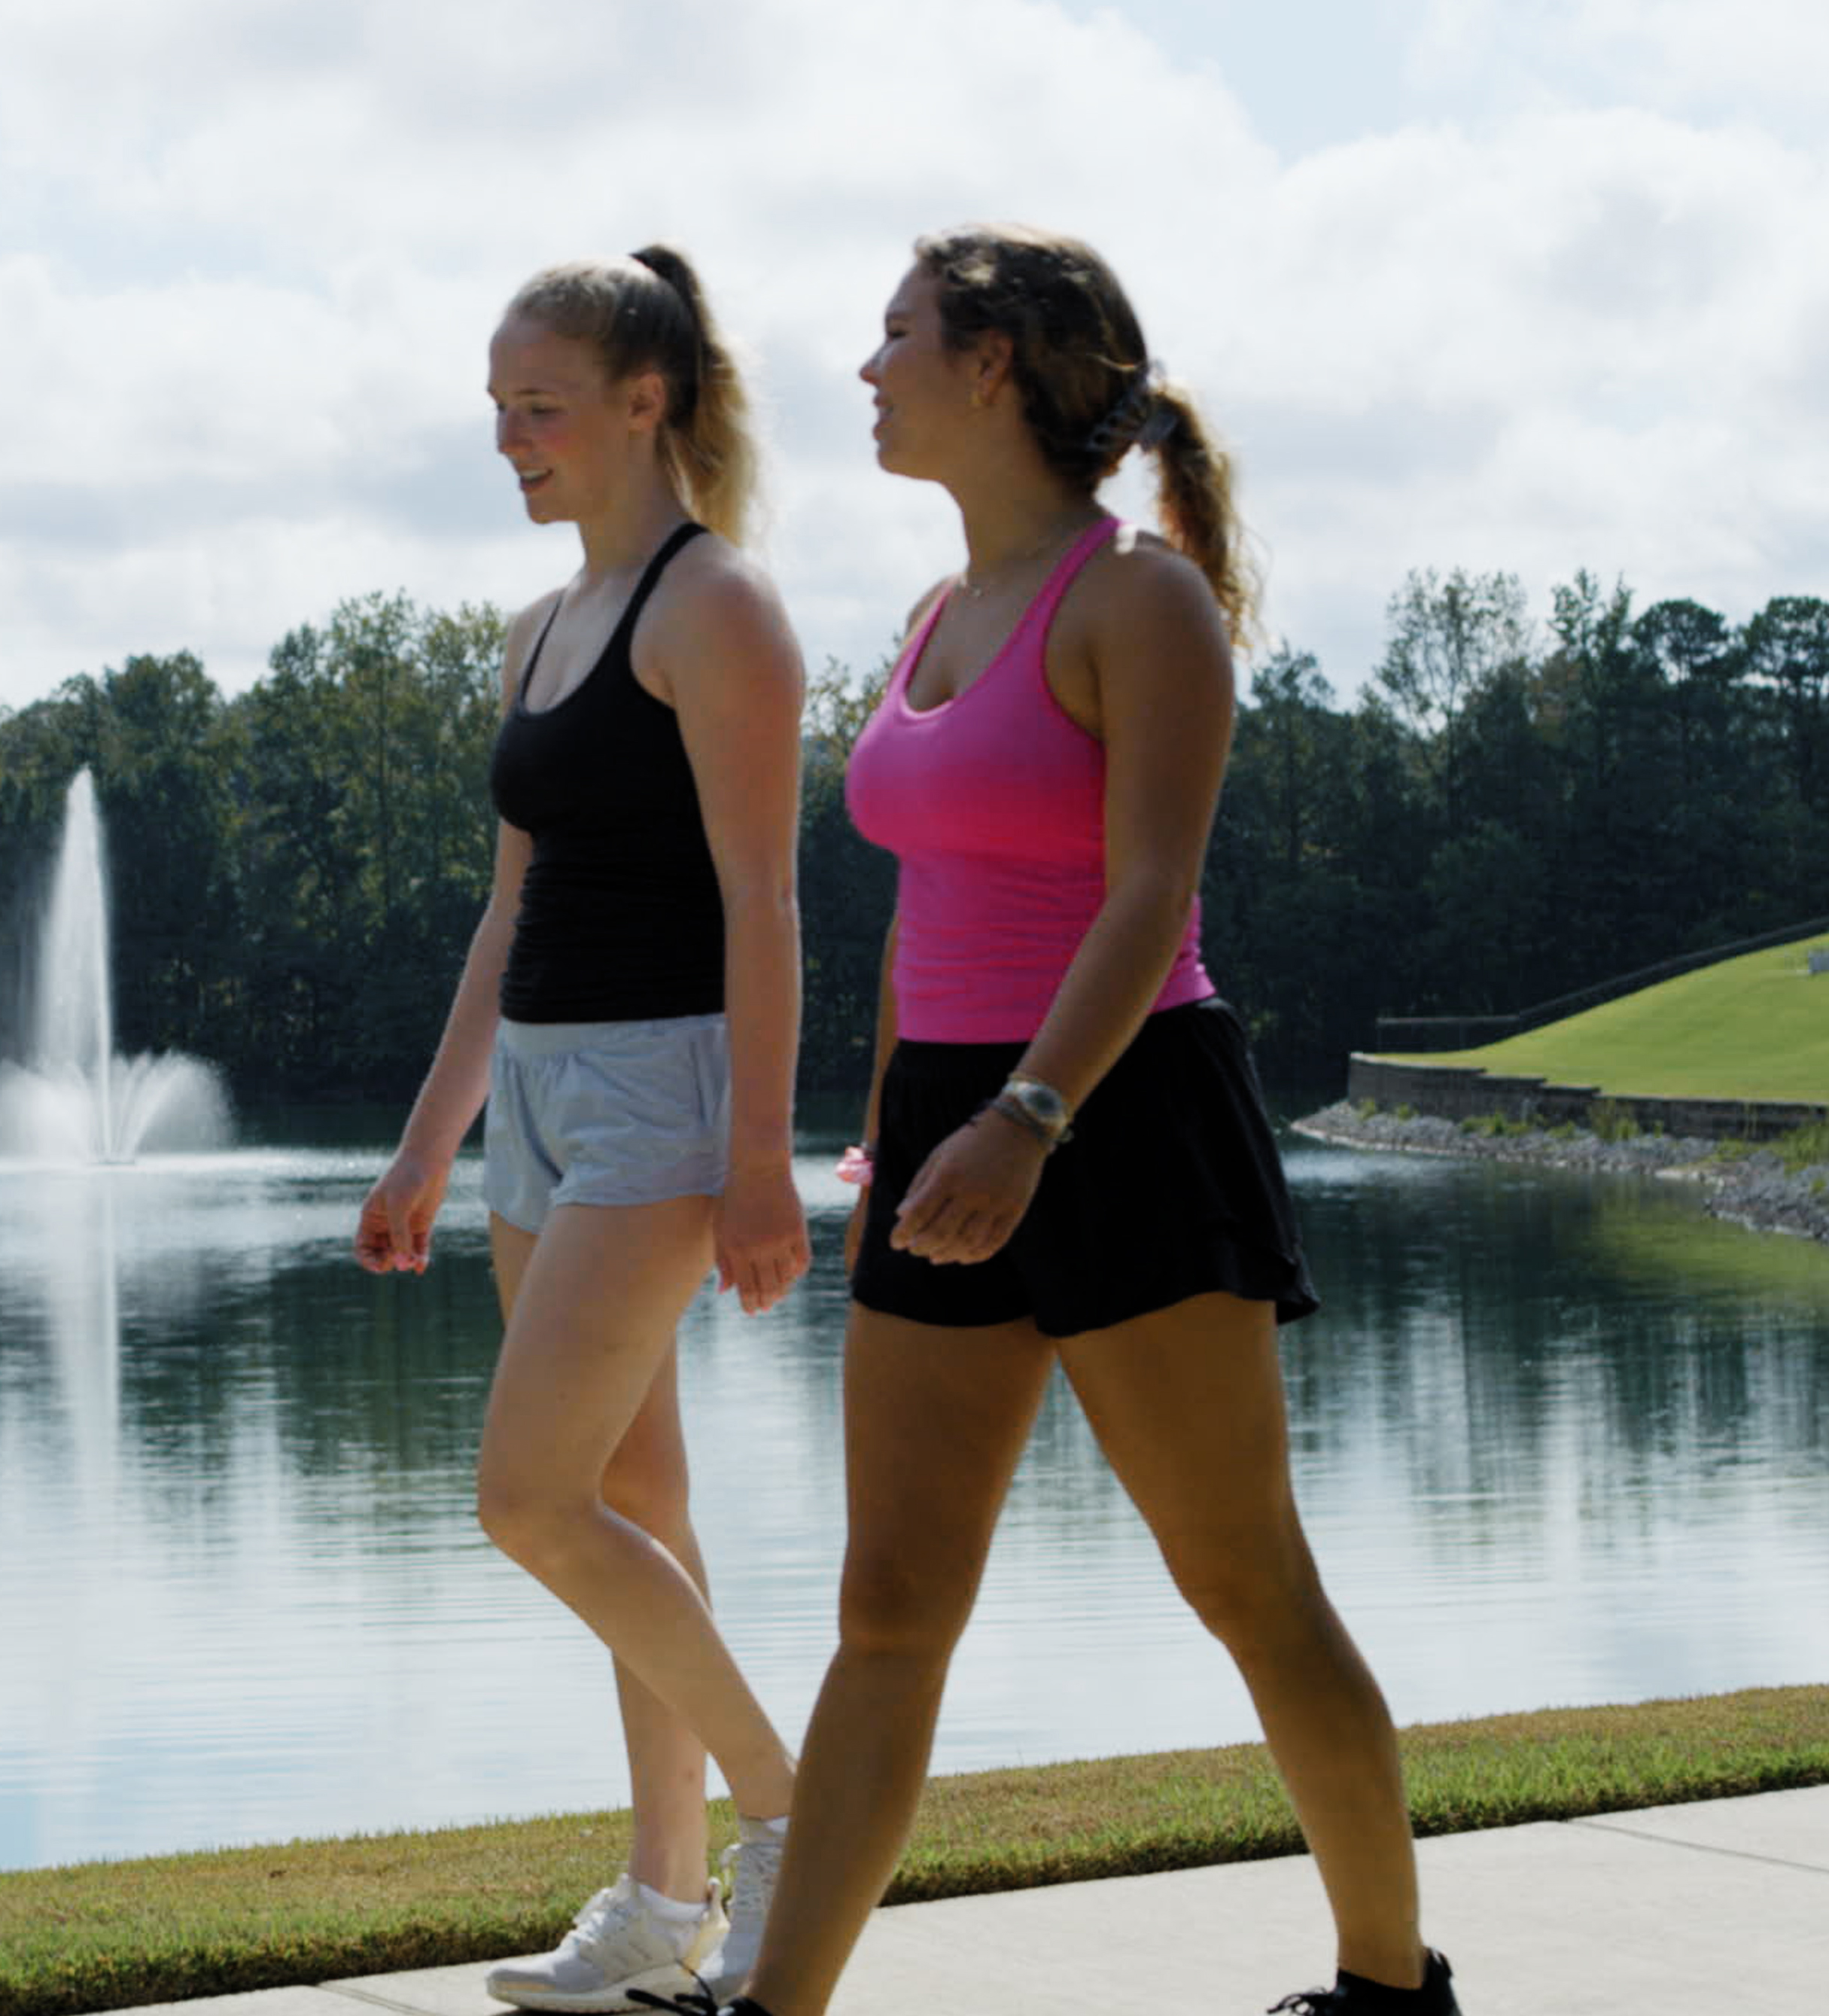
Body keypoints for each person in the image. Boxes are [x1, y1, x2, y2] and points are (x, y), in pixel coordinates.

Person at [704, 226, 1459, 2015]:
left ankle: (1385, 1987)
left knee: (1245, 1584)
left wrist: (1030, 1114)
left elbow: (1148, 899)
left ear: (993, 367)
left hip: (1112, 1106)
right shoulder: (924, 621)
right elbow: (919, 908)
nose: (864, 369)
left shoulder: (1138, 602)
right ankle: (773, 2008)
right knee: (886, 1607)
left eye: (894, 337)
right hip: (950, 1122)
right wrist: (896, 1129)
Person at [352, 244, 814, 2013]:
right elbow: (505, 915)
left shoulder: (716, 611)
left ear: (648, 399)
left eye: (536, 406)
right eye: (494, 411)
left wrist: (760, 1153)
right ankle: (663, 1896)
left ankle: (794, 1810)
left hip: (663, 1090)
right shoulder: (539, 629)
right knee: (631, 1495)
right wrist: (423, 1143)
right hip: (537, 1094)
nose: (508, 440)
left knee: (526, 1497)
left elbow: (763, 903)